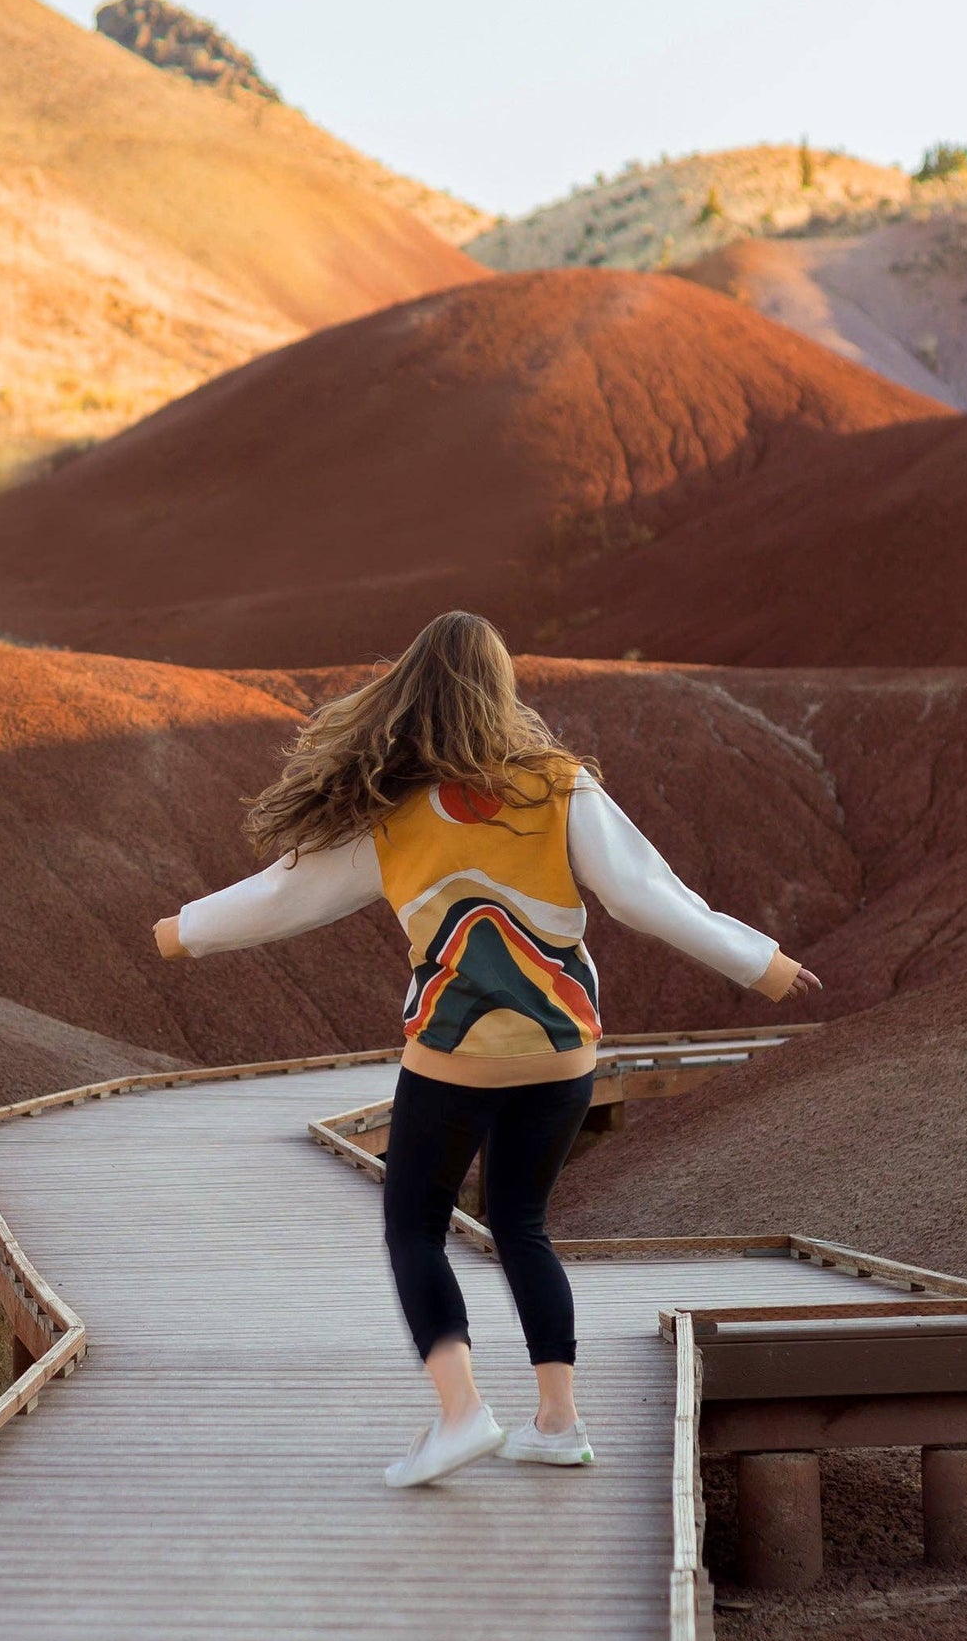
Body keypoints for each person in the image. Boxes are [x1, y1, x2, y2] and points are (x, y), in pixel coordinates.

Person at [154, 612, 821, 1488]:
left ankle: (461, 1412)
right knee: (522, 1226)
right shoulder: (559, 785)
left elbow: (286, 894)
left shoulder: (391, 810)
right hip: (561, 1056)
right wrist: (760, 963)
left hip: (452, 1059)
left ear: (412, 691)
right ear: (500, 690)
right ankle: (558, 1420)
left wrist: (183, 932)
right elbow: (645, 894)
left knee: (414, 1227)